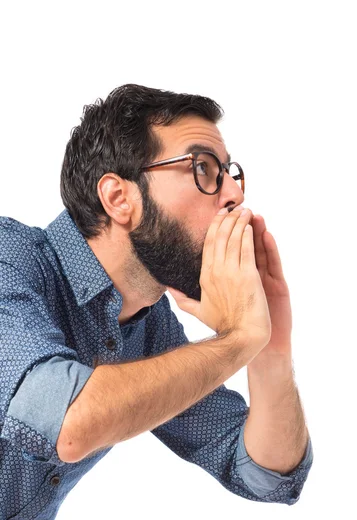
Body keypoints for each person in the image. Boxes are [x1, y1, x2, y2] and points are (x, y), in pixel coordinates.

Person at [0, 84, 313, 519]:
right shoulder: (8, 260)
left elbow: (265, 475)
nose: (235, 196)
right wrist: (240, 338)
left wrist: (269, 344)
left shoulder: (148, 328)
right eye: (202, 169)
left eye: (229, 174)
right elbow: (66, 421)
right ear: (119, 199)